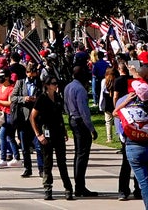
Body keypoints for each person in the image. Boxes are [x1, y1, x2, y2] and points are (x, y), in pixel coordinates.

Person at [115, 80, 148, 210]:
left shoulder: (129, 109)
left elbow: (115, 113)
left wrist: (126, 100)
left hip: (135, 147)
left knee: (144, 183)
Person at [31, 78, 73, 201]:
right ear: (47, 85)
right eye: (53, 84)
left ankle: (68, 188)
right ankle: (48, 189)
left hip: (58, 133)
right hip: (46, 133)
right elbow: (32, 117)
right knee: (47, 163)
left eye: (56, 83)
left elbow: (60, 116)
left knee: (62, 163)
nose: (56, 86)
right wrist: (38, 134)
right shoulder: (42, 99)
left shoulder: (58, 97)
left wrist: (64, 130)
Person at [64, 66, 98, 197]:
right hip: (80, 121)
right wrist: (91, 128)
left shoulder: (68, 87)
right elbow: (84, 111)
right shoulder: (80, 90)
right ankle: (80, 186)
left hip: (72, 119)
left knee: (78, 154)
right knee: (82, 155)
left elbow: (66, 105)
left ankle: (79, 185)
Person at [9, 62, 43, 178]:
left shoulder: (39, 83)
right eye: (30, 75)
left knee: (38, 146)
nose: (32, 77)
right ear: (26, 73)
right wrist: (24, 98)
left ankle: (41, 168)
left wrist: (36, 100)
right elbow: (13, 97)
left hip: (36, 119)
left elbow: (44, 96)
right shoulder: (20, 83)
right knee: (24, 147)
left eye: (34, 75)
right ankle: (27, 168)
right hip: (23, 119)